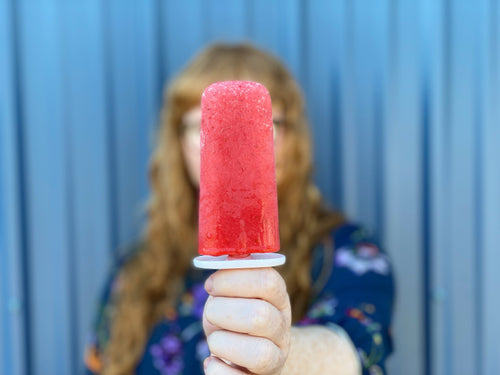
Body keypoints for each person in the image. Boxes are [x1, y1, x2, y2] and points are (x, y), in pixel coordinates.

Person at [84, 43, 395, 375]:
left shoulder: (347, 252)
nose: (233, 147)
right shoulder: (132, 273)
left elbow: (355, 346)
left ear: (292, 141)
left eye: (263, 123)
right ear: (178, 144)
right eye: (203, 125)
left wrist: (281, 360)